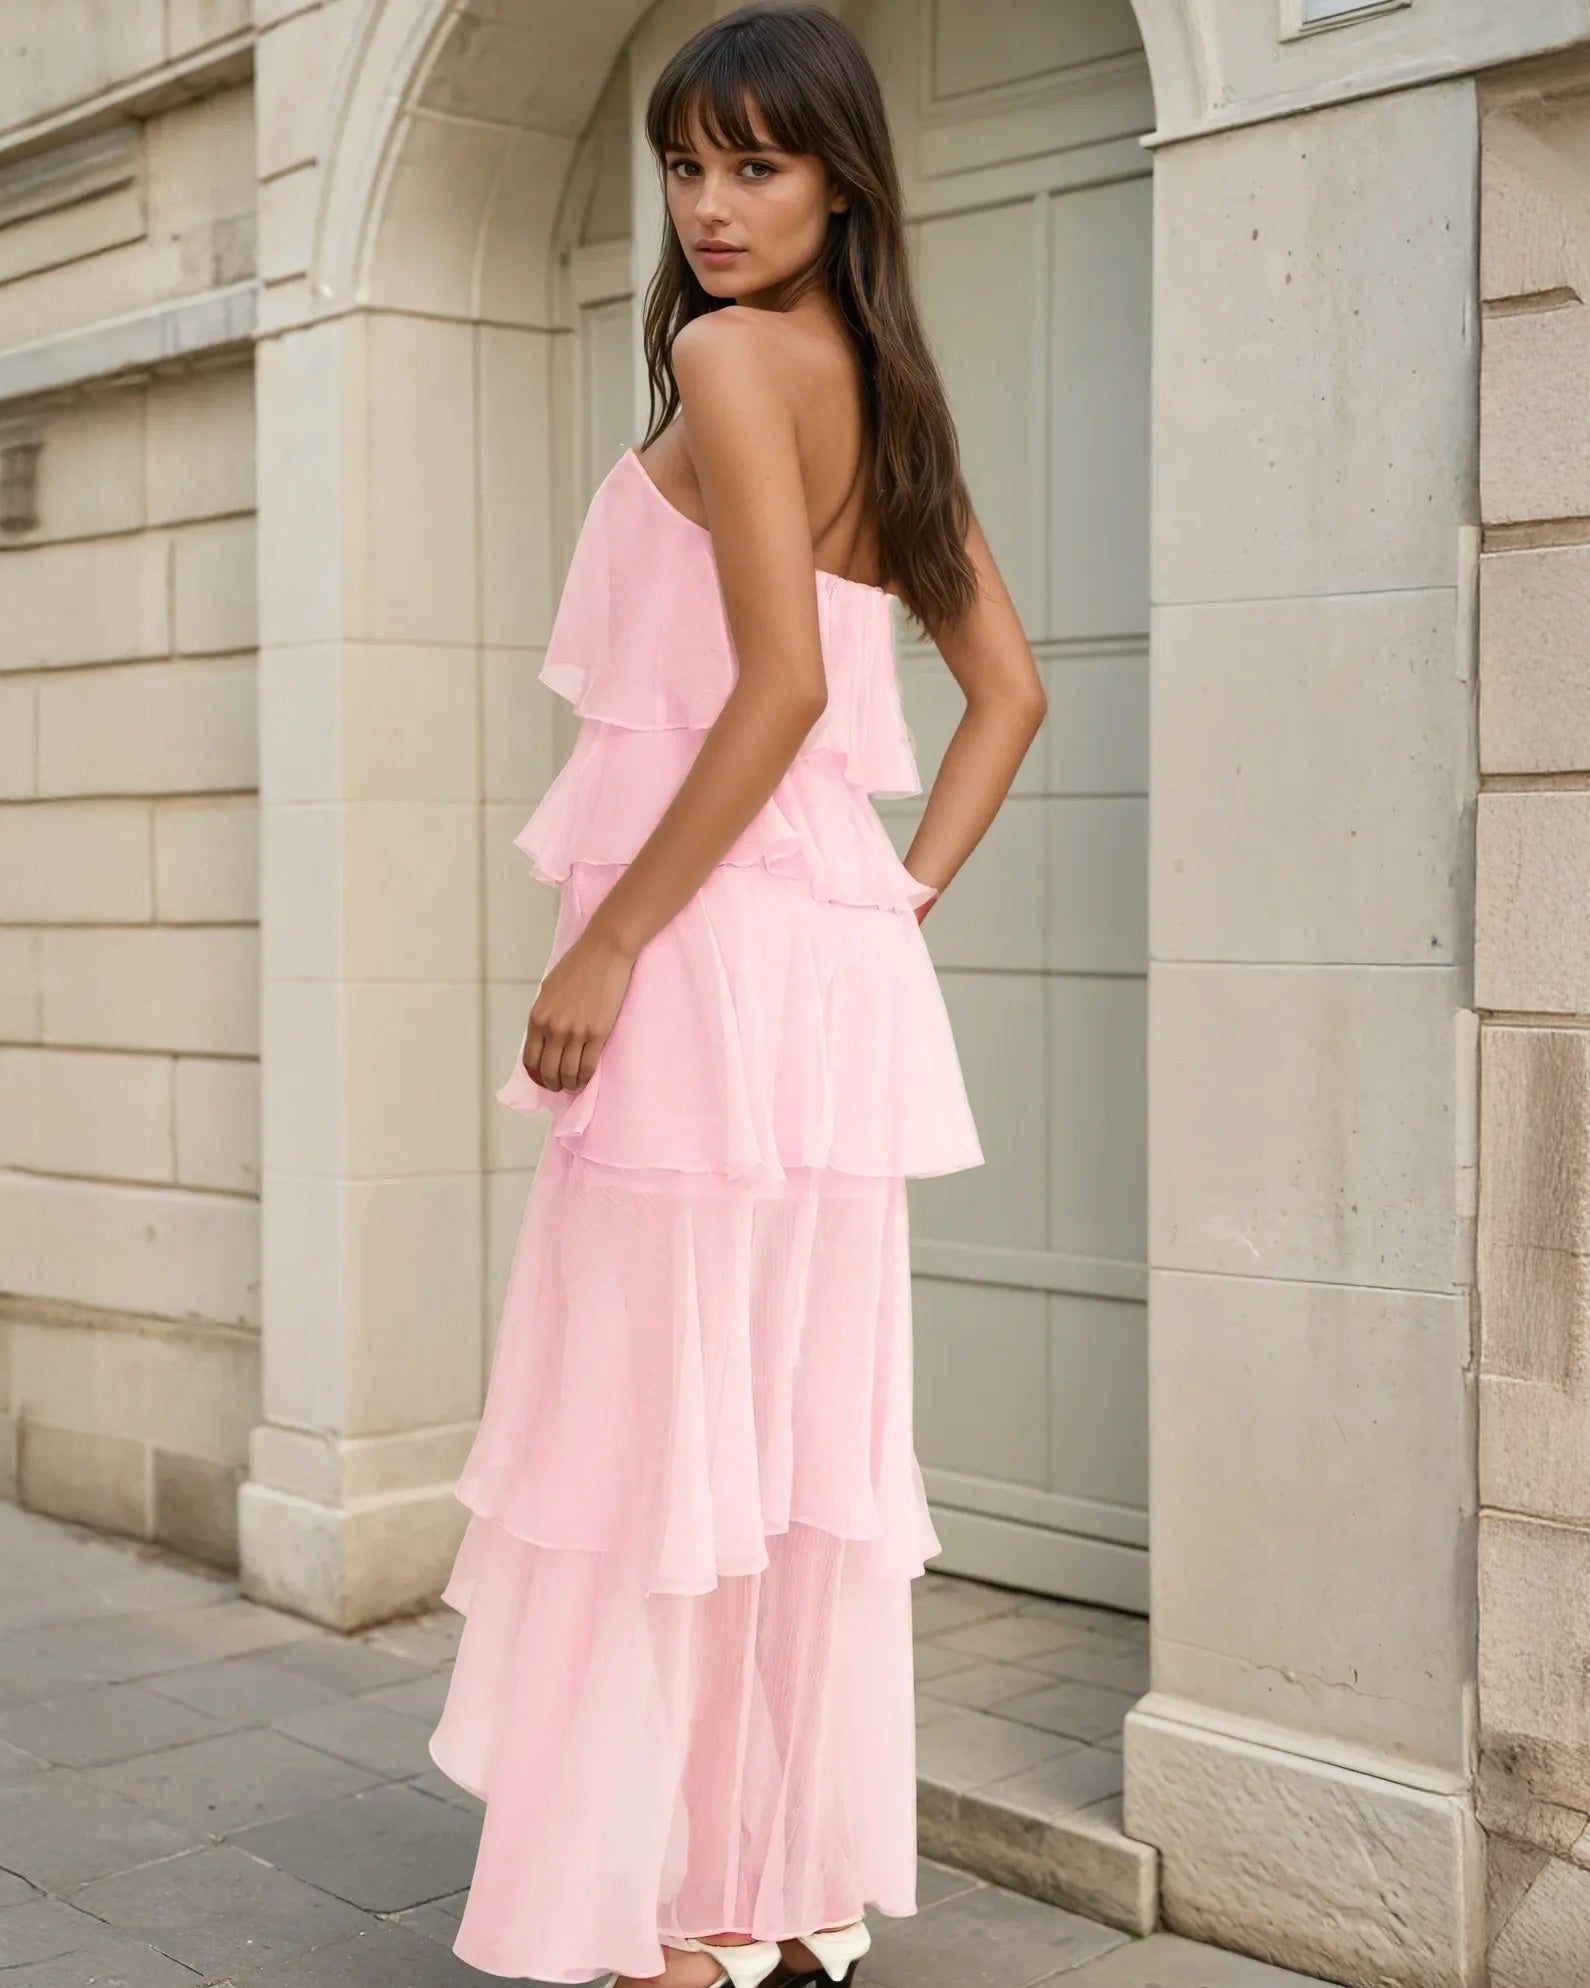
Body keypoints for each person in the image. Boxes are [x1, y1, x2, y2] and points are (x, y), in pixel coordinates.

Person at [425, 5, 1046, 1984]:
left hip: (699, 978)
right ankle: (771, 1892)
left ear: (839, 175)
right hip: (817, 987)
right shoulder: (881, 384)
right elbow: (1009, 696)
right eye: (687, 163)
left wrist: (608, 938)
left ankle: (676, 1913)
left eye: (754, 164)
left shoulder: (726, 358)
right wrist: (892, 904)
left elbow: (780, 691)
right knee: (773, 1434)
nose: (708, 203)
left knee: (657, 1424)